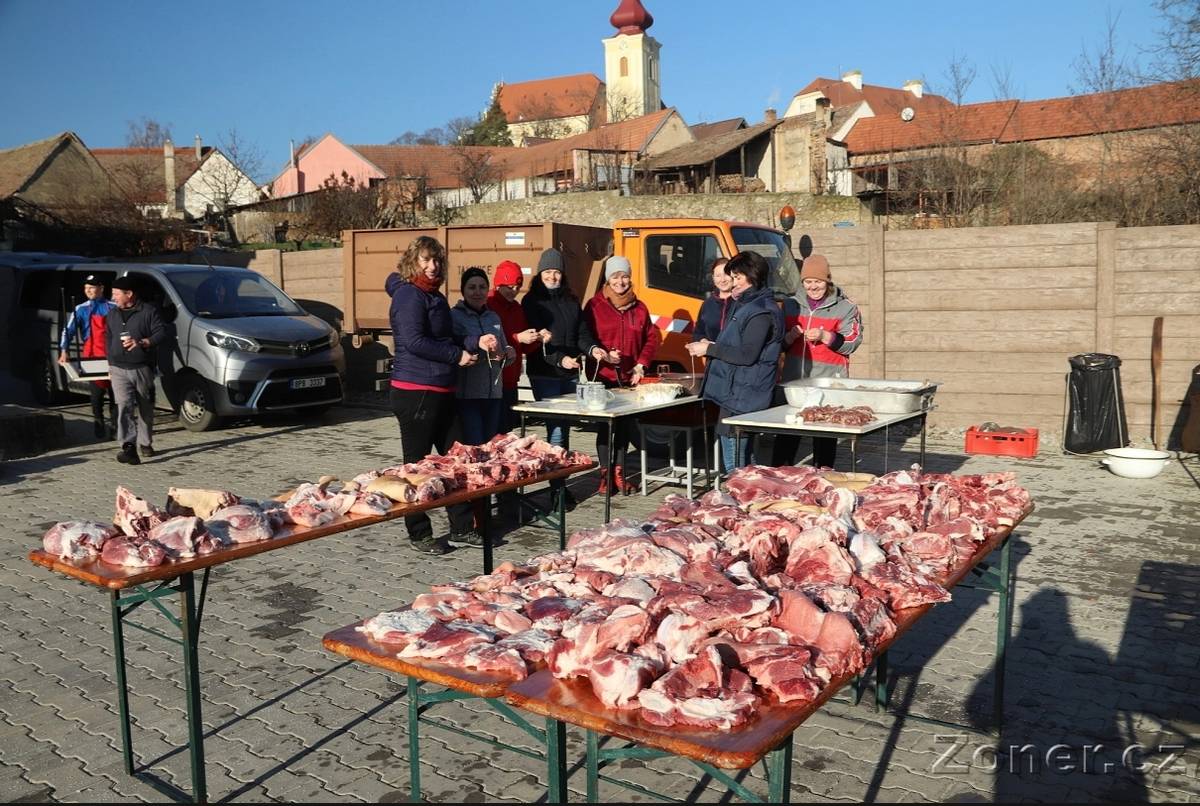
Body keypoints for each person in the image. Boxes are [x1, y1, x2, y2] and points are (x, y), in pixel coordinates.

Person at [386, 236, 478, 554]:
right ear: (413, 261)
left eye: (437, 260)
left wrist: (474, 342)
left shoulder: (434, 296)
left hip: (442, 390)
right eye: (426, 259)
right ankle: (419, 533)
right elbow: (414, 342)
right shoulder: (409, 296)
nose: (432, 265)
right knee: (416, 468)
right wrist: (456, 357)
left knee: (457, 461)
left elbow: (447, 334)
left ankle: (463, 528)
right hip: (416, 392)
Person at [522, 247, 607, 508]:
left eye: (557, 272)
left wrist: (593, 349)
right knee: (556, 431)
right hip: (545, 373)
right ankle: (558, 490)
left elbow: (581, 334)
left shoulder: (571, 300)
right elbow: (538, 341)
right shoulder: (532, 302)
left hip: (570, 374)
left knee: (564, 430)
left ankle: (560, 483)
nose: (553, 276)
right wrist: (559, 359)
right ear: (540, 274)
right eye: (548, 271)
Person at [686, 251, 784, 473]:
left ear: (753, 277)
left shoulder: (761, 311)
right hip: (735, 391)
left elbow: (747, 355)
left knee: (736, 467)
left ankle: (739, 501)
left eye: (738, 277)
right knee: (743, 461)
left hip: (744, 393)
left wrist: (709, 348)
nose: (733, 282)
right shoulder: (745, 305)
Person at [775, 254, 863, 468]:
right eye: (808, 282)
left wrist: (826, 337)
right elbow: (776, 343)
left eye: (818, 281)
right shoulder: (790, 305)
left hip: (828, 381)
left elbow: (853, 341)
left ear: (828, 280)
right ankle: (779, 476)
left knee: (824, 436)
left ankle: (822, 479)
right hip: (795, 380)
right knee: (787, 432)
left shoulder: (846, 308)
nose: (813, 287)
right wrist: (790, 337)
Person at [584, 255, 661, 495]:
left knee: (625, 428)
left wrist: (641, 364)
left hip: (629, 379)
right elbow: (586, 338)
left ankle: (620, 473)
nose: (621, 281)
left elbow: (651, 337)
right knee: (606, 427)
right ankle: (605, 477)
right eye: (616, 276)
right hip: (603, 377)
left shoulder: (640, 308)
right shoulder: (594, 306)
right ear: (608, 278)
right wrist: (603, 354)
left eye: (625, 276)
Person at [450, 267, 514, 445]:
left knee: (491, 446)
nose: (477, 292)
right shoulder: (454, 316)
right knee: (475, 446)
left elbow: (503, 347)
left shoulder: (493, 317)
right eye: (472, 287)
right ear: (463, 290)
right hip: (468, 395)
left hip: (494, 394)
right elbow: (454, 349)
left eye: (482, 287)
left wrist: (508, 352)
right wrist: (479, 347)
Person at [106, 276, 166, 465]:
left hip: (141, 367)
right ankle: (128, 446)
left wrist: (142, 342)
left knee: (145, 407)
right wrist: (109, 363)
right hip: (118, 368)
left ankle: (145, 443)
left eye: (116, 294)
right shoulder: (112, 314)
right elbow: (108, 338)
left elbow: (161, 333)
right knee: (124, 405)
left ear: (129, 294)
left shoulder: (148, 311)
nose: (113, 297)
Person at [486, 260, 542, 435]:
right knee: (492, 432)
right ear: (498, 284)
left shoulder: (517, 308)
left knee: (507, 431)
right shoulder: (488, 304)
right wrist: (519, 338)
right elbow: (490, 340)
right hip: (492, 380)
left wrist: (537, 338)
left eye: (517, 287)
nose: (514, 291)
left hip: (511, 380)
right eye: (509, 287)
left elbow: (524, 347)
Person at [58, 274, 116, 439]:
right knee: (96, 394)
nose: (88, 291)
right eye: (86, 288)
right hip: (92, 356)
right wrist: (64, 350)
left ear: (101, 288)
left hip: (113, 355)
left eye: (92, 287)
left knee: (115, 393)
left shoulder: (113, 307)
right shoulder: (81, 309)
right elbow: (67, 331)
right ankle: (98, 420)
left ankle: (115, 424)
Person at [691, 257, 733, 344]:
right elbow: (698, 333)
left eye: (726, 274)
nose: (723, 279)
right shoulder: (707, 304)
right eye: (718, 276)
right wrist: (704, 341)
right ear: (713, 278)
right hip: (712, 356)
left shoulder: (742, 302)